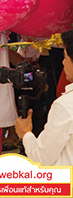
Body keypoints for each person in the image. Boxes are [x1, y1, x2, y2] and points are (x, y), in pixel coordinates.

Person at [15, 29, 73, 165]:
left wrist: (25, 134)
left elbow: (41, 158)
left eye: (65, 57)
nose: (63, 63)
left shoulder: (65, 106)